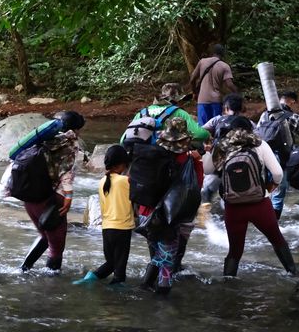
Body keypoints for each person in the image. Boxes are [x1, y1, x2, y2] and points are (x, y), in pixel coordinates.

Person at [212, 116, 297, 277]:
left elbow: (208, 169)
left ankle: (228, 285)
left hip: (233, 206)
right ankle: (293, 273)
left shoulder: (222, 146)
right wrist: (272, 186)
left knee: (235, 250)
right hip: (259, 203)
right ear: (250, 130)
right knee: (277, 240)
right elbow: (278, 173)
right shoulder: (259, 144)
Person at [138, 117, 203, 294]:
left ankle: (145, 286)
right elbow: (195, 187)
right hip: (168, 215)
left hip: (145, 212)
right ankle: (162, 298)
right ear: (185, 140)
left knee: (157, 252)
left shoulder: (151, 154)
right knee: (167, 259)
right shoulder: (188, 160)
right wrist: (197, 162)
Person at [19, 110, 84, 273]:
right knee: (57, 246)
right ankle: (51, 288)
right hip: (51, 200)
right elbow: (67, 171)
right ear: (75, 129)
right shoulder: (70, 142)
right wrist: (68, 196)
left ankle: (23, 270)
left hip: (29, 195)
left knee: (44, 236)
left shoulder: (43, 140)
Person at [73, 145, 133, 286]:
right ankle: (115, 300)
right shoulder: (125, 181)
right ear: (121, 165)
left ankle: (88, 279)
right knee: (119, 272)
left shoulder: (102, 182)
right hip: (122, 229)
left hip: (107, 229)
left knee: (111, 263)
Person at [257, 91, 299, 219]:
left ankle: (262, 218)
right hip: (283, 158)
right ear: (291, 101)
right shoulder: (294, 117)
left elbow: (258, 135)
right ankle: (274, 223)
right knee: (278, 193)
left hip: (263, 157)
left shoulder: (264, 115)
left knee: (264, 189)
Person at [123, 83, 210, 145]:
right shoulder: (179, 112)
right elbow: (201, 134)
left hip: (140, 158)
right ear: (176, 100)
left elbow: (123, 140)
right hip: (165, 158)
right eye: (182, 100)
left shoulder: (141, 113)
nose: (183, 103)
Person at [189, 44, 238, 126]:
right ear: (223, 54)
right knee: (216, 126)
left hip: (202, 100)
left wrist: (194, 92)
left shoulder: (202, 62)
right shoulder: (224, 66)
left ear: (213, 53)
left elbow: (192, 79)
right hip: (216, 101)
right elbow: (229, 84)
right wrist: (237, 94)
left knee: (203, 128)